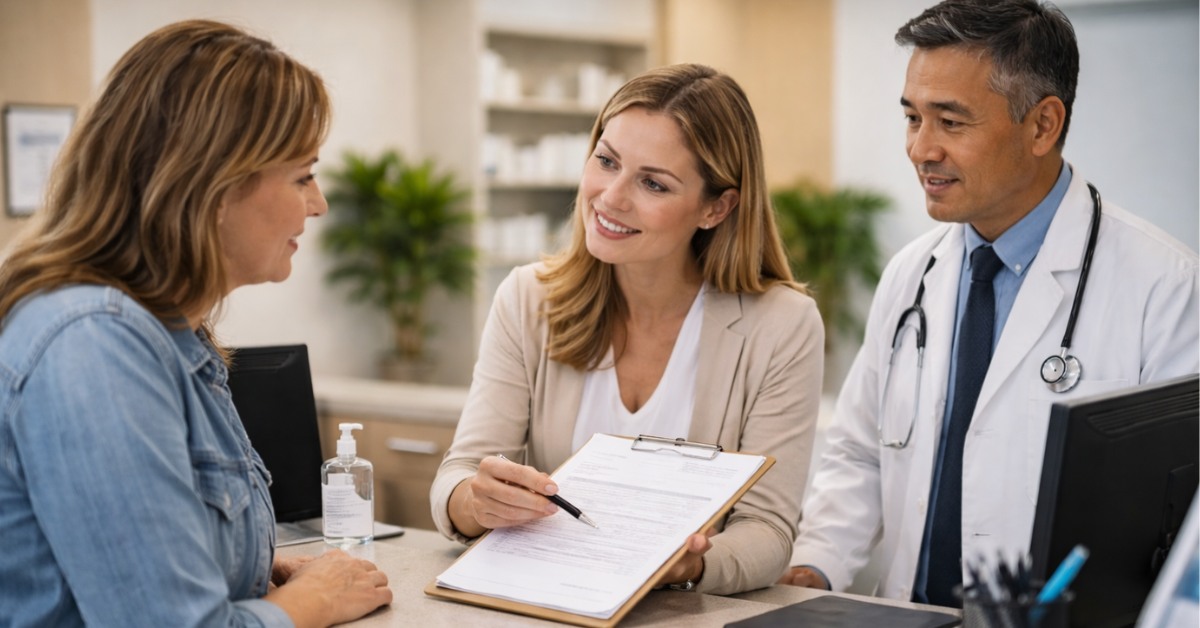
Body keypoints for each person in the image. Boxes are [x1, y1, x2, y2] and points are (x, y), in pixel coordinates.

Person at [781, 0, 1199, 608]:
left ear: (1042, 125)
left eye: (950, 123)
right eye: (912, 118)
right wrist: (815, 564)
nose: (921, 149)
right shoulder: (911, 276)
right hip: (912, 615)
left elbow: (1182, 513)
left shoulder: (1164, 286)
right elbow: (860, 453)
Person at [0, 20, 392, 627]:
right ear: (213, 185)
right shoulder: (93, 345)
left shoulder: (175, 337)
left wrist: (252, 575)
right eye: (303, 176)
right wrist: (305, 606)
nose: (318, 204)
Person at [430, 63, 824, 595]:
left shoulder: (781, 325)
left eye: (653, 183)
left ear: (716, 206)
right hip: (549, 605)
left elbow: (768, 531)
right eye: (606, 161)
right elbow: (457, 477)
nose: (611, 197)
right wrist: (477, 502)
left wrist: (690, 566)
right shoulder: (528, 299)